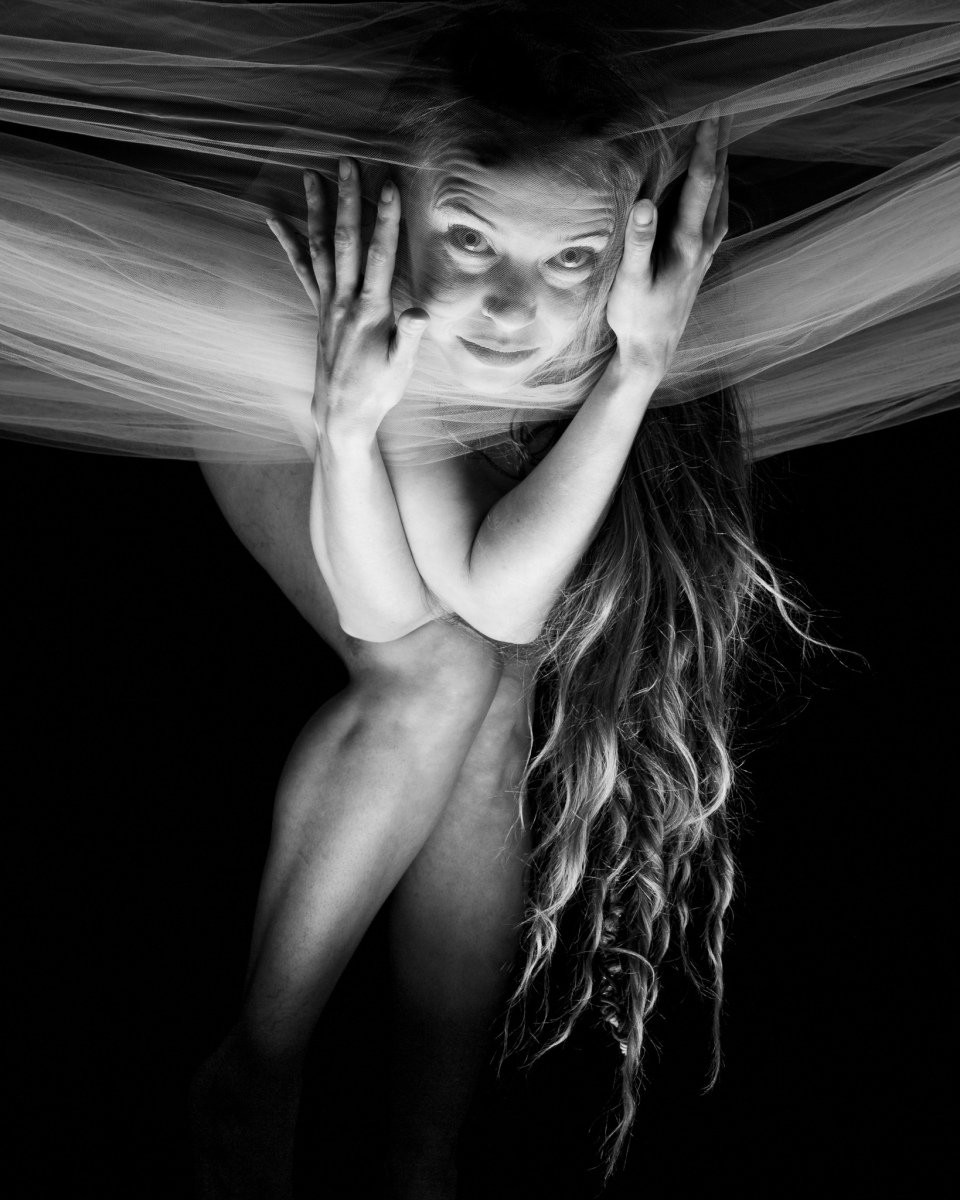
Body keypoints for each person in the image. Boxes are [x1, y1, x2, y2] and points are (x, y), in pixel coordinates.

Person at [0, 2, 957, 1198]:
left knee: (496, 699)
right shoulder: (371, 288)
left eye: (570, 263)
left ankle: (423, 1153)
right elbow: (428, 611)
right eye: (469, 239)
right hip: (303, 379)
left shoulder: (628, 276)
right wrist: (352, 428)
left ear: (629, 239)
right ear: (404, 212)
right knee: (440, 666)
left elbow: (503, 599)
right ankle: (260, 1064)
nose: (513, 311)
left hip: (419, 396)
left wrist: (638, 362)